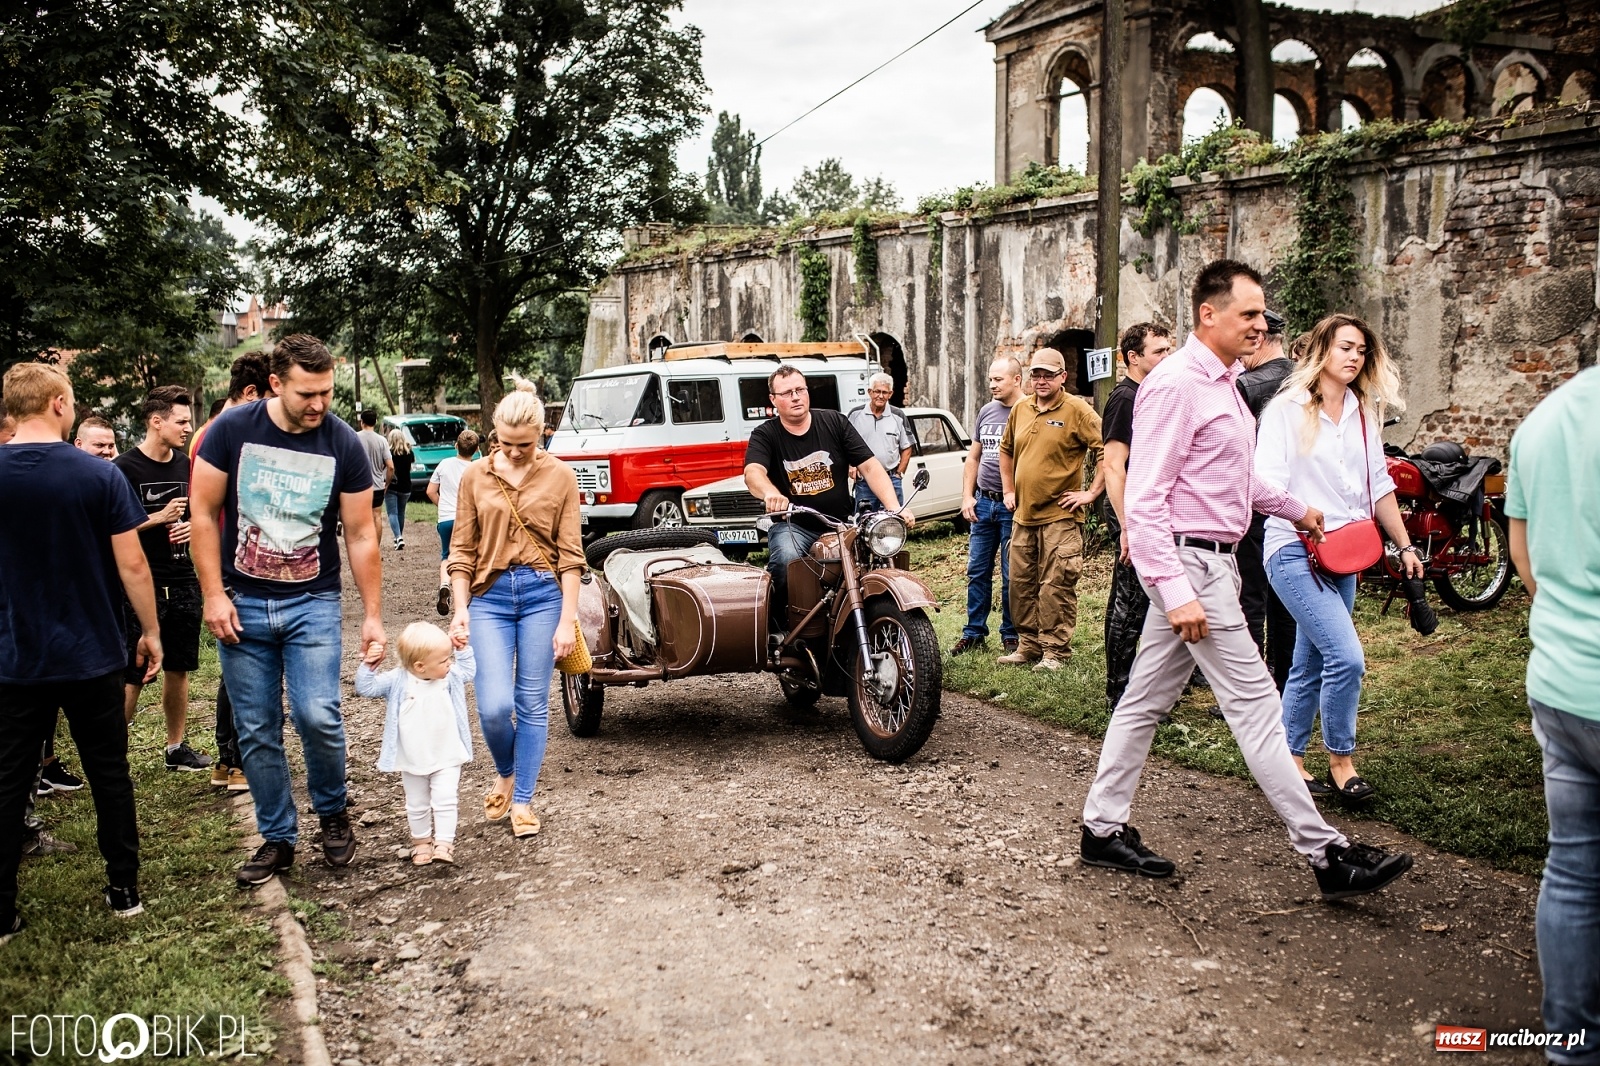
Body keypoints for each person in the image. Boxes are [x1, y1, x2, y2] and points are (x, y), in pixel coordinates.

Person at [1078, 259, 1413, 902]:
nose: (1262, 324)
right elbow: (1145, 500)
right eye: (1250, 313)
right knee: (1259, 707)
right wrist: (1176, 594)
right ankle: (1326, 854)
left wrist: (1299, 509)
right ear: (1209, 314)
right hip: (1192, 566)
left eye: (1263, 314)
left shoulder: (1224, 382)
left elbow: (1237, 479)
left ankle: (1101, 828)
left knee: (1143, 702)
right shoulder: (1177, 384)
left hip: (1211, 559)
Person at [191, 334, 387, 887]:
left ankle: (332, 812)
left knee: (317, 715)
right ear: (276, 383)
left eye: (326, 391)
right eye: (307, 393)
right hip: (243, 602)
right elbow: (203, 514)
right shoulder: (232, 431)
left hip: (312, 602)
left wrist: (372, 614)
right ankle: (277, 837)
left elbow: (361, 533)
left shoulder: (342, 442)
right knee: (256, 728)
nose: (319, 404)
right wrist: (212, 594)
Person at [0, 361, 161, 939]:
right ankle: (124, 891)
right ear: (60, 405)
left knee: (8, 779)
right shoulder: (100, 476)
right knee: (109, 774)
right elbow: (132, 562)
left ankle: (2, 913)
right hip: (91, 650)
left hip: (14, 656)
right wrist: (151, 631)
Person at [1256, 314, 1423, 803]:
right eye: (1346, 347)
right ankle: (1342, 762)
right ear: (1321, 351)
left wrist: (1405, 544)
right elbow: (1264, 485)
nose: (1355, 357)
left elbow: (1380, 488)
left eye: (1362, 350)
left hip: (1345, 554)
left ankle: (1288, 760)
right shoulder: (1286, 410)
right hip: (1292, 548)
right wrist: (1303, 515)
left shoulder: (1362, 412)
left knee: (1310, 661)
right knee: (1346, 658)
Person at [1505, 365, 1600, 1065]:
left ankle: (1571, 1047)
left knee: (1571, 868)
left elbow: (1525, 563)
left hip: (1563, 682)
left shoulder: (1543, 420)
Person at [447, 382, 581, 840]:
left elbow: (571, 558)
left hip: (544, 595)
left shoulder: (562, 477)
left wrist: (568, 619)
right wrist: (460, 609)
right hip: (490, 597)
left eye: (525, 444)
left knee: (531, 703)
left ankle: (523, 798)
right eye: (506, 444)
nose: (516, 452)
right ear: (494, 435)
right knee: (493, 706)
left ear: (543, 433)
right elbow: (461, 551)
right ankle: (505, 771)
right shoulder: (474, 477)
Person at [744, 366, 911, 622]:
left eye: (800, 389)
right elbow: (753, 472)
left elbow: (870, 465)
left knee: (869, 563)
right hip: (794, 525)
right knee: (785, 563)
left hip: (840, 522)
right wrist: (770, 493)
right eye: (787, 392)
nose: (796, 397)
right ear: (773, 399)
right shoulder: (766, 434)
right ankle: (779, 625)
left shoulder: (834, 422)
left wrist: (894, 508)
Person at [114, 386, 212, 773]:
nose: (189, 427)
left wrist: (191, 527)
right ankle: (113, 754)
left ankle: (176, 748)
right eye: (182, 421)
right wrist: (156, 517)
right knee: (133, 670)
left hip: (182, 578)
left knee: (179, 666)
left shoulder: (185, 465)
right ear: (157, 421)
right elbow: (110, 530)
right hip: (142, 583)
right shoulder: (122, 469)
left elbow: (200, 515)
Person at [189, 352, 272, 793]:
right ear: (251, 393)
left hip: (231, 562)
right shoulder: (223, 434)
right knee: (244, 667)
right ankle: (236, 760)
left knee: (236, 665)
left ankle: (228, 759)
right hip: (233, 565)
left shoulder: (206, 432)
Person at [996, 348, 1104, 672]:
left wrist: (1091, 493)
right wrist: (1008, 490)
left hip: (1060, 516)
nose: (1041, 380)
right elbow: (1006, 451)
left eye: (1048, 375)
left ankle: (1055, 652)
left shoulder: (1078, 410)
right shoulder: (1020, 408)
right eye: (1037, 375)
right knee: (1020, 585)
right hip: (1023, 515)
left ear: (1062, 377)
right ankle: (1028, 646)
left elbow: (1107, 451)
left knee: (1056, 586)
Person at [356, 622, 476, 866]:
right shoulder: (398, 680)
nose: (449, 663)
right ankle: (421, 843)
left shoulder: (449, 677)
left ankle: (444, 843)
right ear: (420, 666)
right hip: (412, 757)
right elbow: (366, 687)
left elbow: (468, 671)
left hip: (447, 752)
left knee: (445, 798)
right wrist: (369, 665)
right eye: (444, 660)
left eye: (450, 658)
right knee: (417, 803)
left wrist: (463, 649)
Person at [1101, 323, 1175, 708]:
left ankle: (1143, 687)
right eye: (1159, 351)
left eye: (1168, 350)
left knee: (1147, 605)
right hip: (1132, 518)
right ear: (1133, 357)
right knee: (1128, 605)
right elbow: (1113, 465)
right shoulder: (1125, 398)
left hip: (1149, 517)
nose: (1167, 357)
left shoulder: (1149, 394)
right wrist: (1127, 526)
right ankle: (1120, 692)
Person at [1236, 309, 1299, 691]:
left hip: (1256, 502)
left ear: (1260, 338)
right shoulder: (1304, 378)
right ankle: (1285, 682)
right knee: (1286, 597)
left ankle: (1250, 688)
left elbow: (1235, 452)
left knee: (1249, 597)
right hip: (1295, 505)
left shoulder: (1245, 386)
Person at [950, 356, 1025, 657]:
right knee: (977, 570)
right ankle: (974, 632)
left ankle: (1011, 634)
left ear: (1017, 379)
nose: (992, 385)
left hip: (1012, 507)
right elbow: (974, 457)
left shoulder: (1028, 412)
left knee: (1012, 574)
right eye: (991, 379)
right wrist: (967, 496)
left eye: (998, 379)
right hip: (983, 503)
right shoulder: (986, 411)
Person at [428, 429, 479, 617]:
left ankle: (444, 585)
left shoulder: (444, 464)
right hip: (467, 519)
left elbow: (430, 491)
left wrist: (443, 506)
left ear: (456, 445)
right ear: (475, 451)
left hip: (446, 519)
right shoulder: (476, 469)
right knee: (467, 558)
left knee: (446, 556)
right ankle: (464, 601)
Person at [846, 373, 912, 512]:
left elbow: (907, 447)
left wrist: (899, 474)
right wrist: (851, 465)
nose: (880, 396)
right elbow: (844, 445)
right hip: (864, 482)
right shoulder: (855, 415)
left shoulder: (898, 416)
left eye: (884, 392)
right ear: (869, 392)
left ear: (890, 394)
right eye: (877, 391)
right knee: (865, 523)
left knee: (894, 521)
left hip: (891, 479)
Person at [356, 408, 393, 544]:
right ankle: (375, 549)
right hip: (377, 485)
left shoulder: (355, 438)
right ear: (376, 422)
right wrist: (386, 483)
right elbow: (390, 466)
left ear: (362, 422)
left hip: (359, 486)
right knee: (377, 516)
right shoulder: (382, 441)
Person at [385, 429, 413, 550]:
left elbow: (388, 468)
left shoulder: (389, 453)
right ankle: (398, 538)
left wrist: (385, 483)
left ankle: (398, 537)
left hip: (392, 486)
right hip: (406, 486)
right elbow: (410, 468)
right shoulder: (409, 453)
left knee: (392, 513)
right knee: (401, 513)